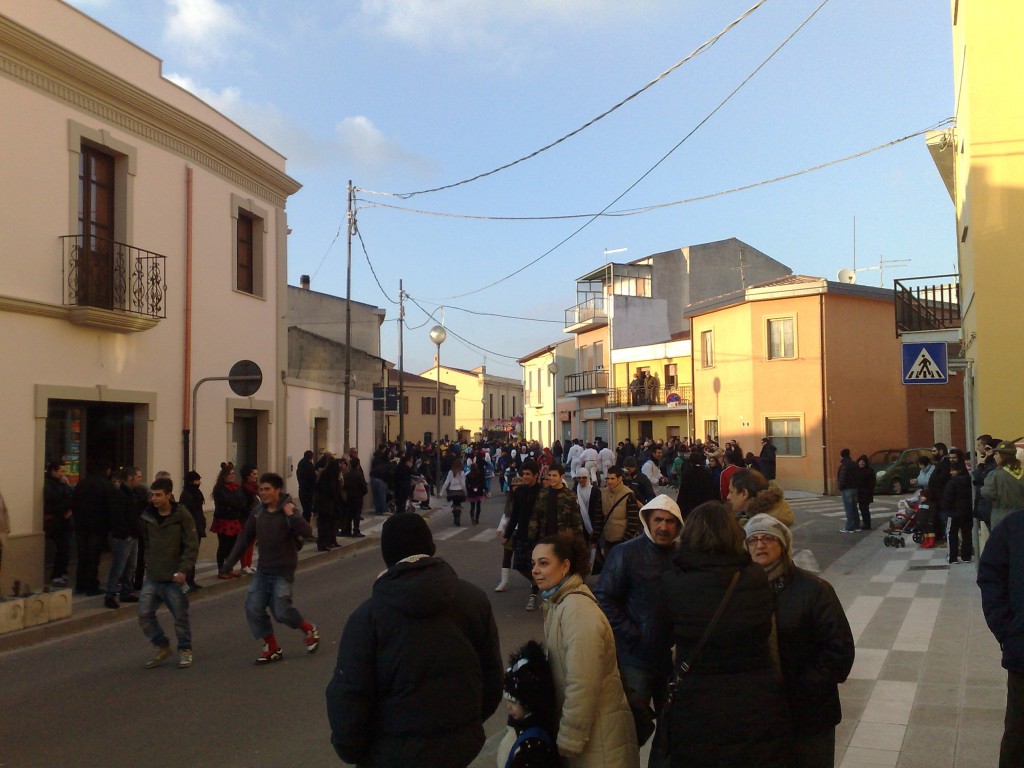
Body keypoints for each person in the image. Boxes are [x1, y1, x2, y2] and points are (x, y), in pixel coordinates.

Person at [326, 512, 503, 768]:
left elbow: (349, 695)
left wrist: (353, 751)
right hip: (460, 748)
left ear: (387, 556)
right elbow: (491, 678)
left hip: (392, 753)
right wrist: (465, 726)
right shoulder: (473, 600)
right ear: (430, 548)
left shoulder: (368, 618)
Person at [657, 501, 791, 767]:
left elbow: (660, 636)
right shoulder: (753, 577)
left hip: (697, 698)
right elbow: (763, 629)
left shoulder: (674, 581)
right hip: (754, 696)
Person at [744, 514, 855, 768]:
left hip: (810, 712)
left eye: (768, 538)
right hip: (763, 713)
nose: (760, 545)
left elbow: (840, 651)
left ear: (783, 545)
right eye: (753, 540)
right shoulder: (741, 592)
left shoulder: (815, 590)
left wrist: (803, 685)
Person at [532, 534, 639, 767]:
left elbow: (583, 683)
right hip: (594, 736)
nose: (535, 570)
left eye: (543, 563)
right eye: (534, 564)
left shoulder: (576, 610)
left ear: (565, 566)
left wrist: (570, 738)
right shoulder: (558, 603)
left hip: (599, 743)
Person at [595, 495, 684, 750]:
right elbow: (604, 597)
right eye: (658, 520)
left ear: (678, 525)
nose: (663, 527)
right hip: (636, 659)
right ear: (647, 520)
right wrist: (632, 634)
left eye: (669, 521)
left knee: (673, 729)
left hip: (674, 662)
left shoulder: (684, 557)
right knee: (631, 729)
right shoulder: (625, 553)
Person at [221, 472, 319, 664]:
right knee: (253, 608)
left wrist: (291, 515)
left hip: (283, 571)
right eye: (261, 489)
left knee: (281, 612)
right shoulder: (258, 512)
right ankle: (272, 646)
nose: (263, 493)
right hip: (263, 570)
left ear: (278, 490)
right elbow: (245, 538)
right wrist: (229, 563)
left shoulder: (289, 509)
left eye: (267, 489)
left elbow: (307, 532)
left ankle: (308, 629)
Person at [978, 508, 1024, 768]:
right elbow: (990, 576)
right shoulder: (1013, 528)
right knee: (1019, 738)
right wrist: (1008, 630)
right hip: (1023, 655)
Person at [137, 477, 198, 669]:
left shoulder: (181, 515)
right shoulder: (147, 516)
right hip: (154, 576)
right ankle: (161, 645)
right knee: (144, 614)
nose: (154, 499)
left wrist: (183, 570)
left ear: (169, 495)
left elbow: (191, 545)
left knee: (180, 617)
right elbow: (146, 543)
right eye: (152, 495)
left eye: (158, 495)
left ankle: (185, 650)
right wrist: (148, 563)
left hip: (174, 577)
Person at [497, 640, 560, 768]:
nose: (508, 706)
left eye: (514, 702)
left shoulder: (533, 747)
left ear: (530, 702)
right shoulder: (519, 726)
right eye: (507, 701)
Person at [70, 460, 118, 595]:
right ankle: (91, 586)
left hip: (81, 526)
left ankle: (80, 584)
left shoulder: (82, 484)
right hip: (98, 527)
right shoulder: (107, 486)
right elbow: (112, 508)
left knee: (83, 556)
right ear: (107, 470)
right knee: (93, 558)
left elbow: (73, 503)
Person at [502, 459, 543, 604]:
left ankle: (534, 593)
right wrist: (507, 534)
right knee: (519, 565)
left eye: (528, 474)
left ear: (536, 475)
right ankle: (536, 582)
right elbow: (515, 515)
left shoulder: (542, 492)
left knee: (535, 564)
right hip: (522, 534)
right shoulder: (519, 491)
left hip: (538, 535)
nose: (525, 477)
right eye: (523, 474)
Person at [104, 467, 146, 609]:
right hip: (123, 537)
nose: (141, 479)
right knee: (118, 567)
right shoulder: (119, 494)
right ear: (130, 478)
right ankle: (110, 595)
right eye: (138, 477)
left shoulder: (135, 493)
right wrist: (125, 533)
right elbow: (117, 516)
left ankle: (126, 592)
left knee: (131, 566)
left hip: (133, 534)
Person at [593, 466, 642, 573]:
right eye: (607, 479)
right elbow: (599, 518)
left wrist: (625, 541)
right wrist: (594, 538)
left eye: (612, 478)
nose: (609, 481)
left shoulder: (628, 495)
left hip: (622, 541)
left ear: (620, 479)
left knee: (622, 571)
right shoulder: (603, 494)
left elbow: (633, 521)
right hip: (607, 540)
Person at [211, 464, 249, 577]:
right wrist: (234, 504)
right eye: (229, 474)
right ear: (224, 476)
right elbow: (226, 502)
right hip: (223, 519)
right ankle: (221, 569)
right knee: (224, 545)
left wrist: (235, 504)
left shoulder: (236, 487)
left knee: (233, 545)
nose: (232, 476)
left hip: (235, 518)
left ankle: (229, 567)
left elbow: (242, 501)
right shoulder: (219, 488)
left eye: (233, 473)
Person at [725, 469, 795, 527]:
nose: (728, 497)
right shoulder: (758, 515)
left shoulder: (761, 529)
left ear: (744, 494)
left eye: (731, 492)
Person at [43, 460, 74, 587]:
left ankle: (62, 571)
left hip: (64, 521)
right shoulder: (48, 485)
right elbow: (52, 504)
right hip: (55, 522)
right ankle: (56, 574)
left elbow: (71, 497)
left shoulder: (62, 484)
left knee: (65, 548)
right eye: (61, 471)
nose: (63, 474)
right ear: (53, 471)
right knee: (61, 548)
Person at [983, 441, 1024, 531]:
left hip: (1001, 517)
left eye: (996, 454)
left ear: (1003, 456)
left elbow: (988, 493)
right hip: (1020, 518)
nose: (994, 456)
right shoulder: (1021, 473)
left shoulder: (995, 475)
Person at [943, 450, 974, 564]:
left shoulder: (952, 482)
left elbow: (948, 497)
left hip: (954, 511)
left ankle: (952, 557)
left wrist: (946, 508)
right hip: (967, 511)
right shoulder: (969, 479)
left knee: (951, 533)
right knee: (966, 533)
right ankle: (966, 556)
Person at [178, 471, 206, 590]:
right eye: (197, 480)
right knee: (188, 554)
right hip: (191, 528)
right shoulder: (187, 495)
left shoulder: (196, 493)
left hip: (197, 526)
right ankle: (187, 580)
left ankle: (191, 579)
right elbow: (187, 513)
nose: (199, 482)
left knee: (193, 554)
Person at [675, 450, 718, 520]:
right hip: (704, 505)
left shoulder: (688, 473)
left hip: (690, 506)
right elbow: (711, 489)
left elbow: (683, 491)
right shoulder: (706, 472)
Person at [342, 456, 368, 537]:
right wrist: (363, 492)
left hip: (349, 496)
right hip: (358, 497)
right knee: (356, 514)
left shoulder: (346, 475)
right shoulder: (359, 474)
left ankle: (347, 530)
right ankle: (356, 530)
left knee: (349, 514)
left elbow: (344, 486)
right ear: (358, 465)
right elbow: (364, 487)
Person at [440, 456, 469, 526]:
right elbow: (463, 484)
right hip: (460, 492)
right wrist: (466, 491)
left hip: (452, 491)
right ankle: (458, 517)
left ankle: (455, 518)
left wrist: (441, 493)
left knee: (454, 504)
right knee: (458, 504)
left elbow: (446, 483)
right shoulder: (461, 473)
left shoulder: (450, 472)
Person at [837, 448, 860, 533]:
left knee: (848, 508)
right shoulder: (854, 464)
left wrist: (840, 486)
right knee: (854, 508)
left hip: (847, 488)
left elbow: (842, 477)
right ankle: (857, 526)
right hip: (854, 487)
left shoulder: (844, 465)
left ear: (842, 455)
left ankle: (849, 527)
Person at [296, 450, 317, 524]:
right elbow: (313, 478)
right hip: (308, 491)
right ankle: (305, 528)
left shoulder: (300, 465)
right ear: (311, 457)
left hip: (302, 490)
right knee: (307, 511)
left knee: (306, 510)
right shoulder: (309, 466)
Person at [854, 455, 875, 530]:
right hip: (860, 493)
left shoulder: (869, 471)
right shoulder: (857, 470)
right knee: (862, 508)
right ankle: (866, 523)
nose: (861, 463)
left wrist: (867, 491)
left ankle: (867, 524)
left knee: (864, 508)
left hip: (866, 493)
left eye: (863, 462)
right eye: (860, 462)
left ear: (866, 463)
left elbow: (872, 483)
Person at [466, 460, 487, 525]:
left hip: (471, 492)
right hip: (479, 491)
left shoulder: (468, 475)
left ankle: (472, 517)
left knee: (472, 506)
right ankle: (477, 519)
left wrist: (469, 489)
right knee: (478, 506)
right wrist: (485, 489)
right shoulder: (480, 474)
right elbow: (483, 483)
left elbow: (467, 484)